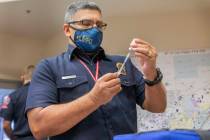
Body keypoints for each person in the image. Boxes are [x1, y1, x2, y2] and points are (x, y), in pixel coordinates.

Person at [26, 1, 167, 140]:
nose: (95, 29)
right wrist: (93, 99)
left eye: (99, 25)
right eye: (86, 23)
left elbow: (158, 106)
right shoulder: (49, 67)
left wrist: (150, 71)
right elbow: (39, 127)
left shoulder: (122, 64)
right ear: (67, 29)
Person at [0, 65, 35, 140]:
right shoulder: (45, 95)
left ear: (22, 77)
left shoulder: (12, 96)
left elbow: (6, 125)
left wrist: (13, 138)